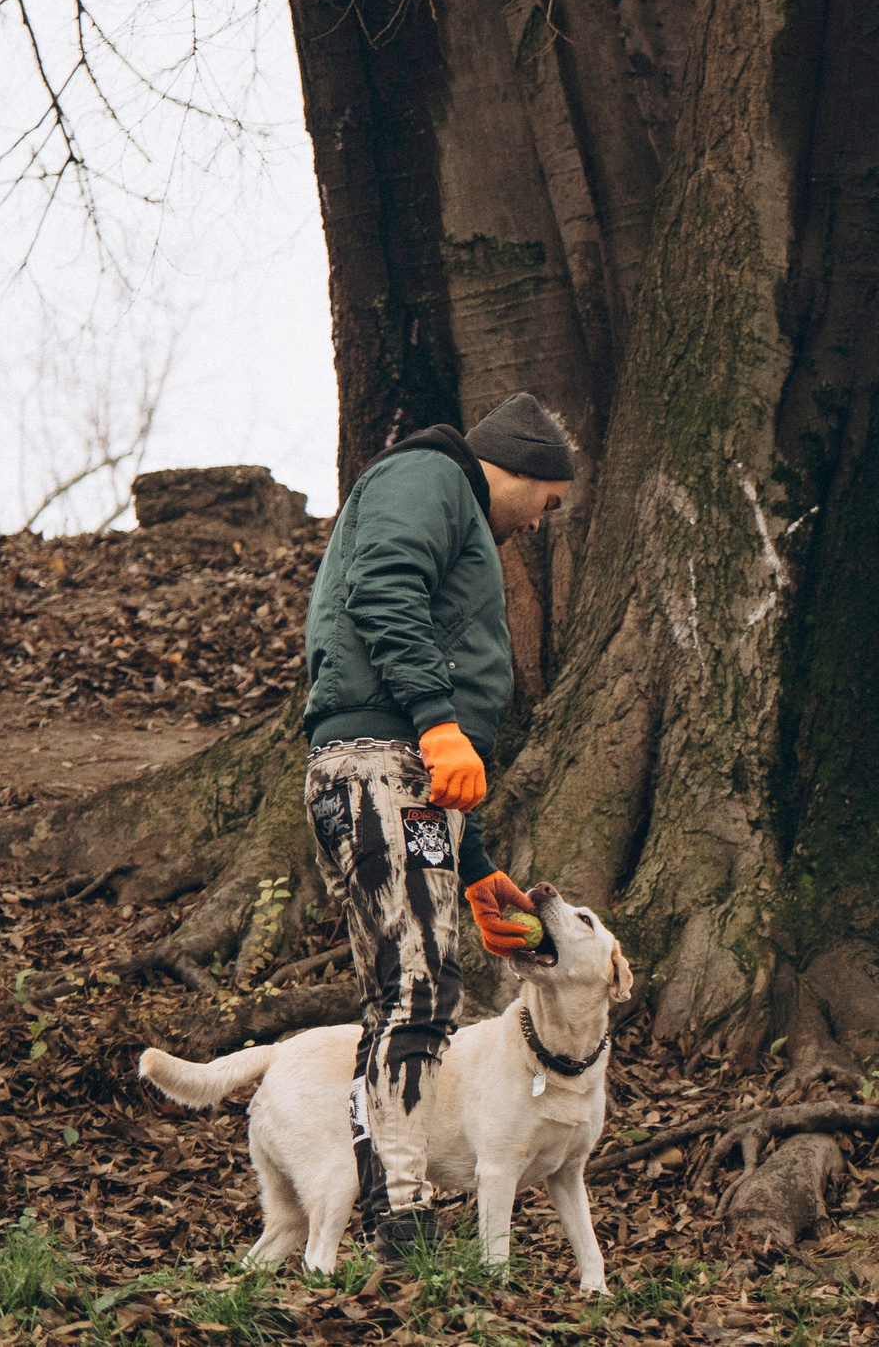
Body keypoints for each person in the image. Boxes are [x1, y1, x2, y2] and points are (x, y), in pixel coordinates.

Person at [299, 392, 575, 1256]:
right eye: (548, 500)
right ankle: (402, 1216)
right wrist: (437, 720)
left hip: (407, 781)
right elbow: (384, 585)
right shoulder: (429, 475)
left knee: (407, 990)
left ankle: (395, 1208)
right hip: (381, 763)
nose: (541, 522)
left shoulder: (446, 496)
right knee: (415, 991)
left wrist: (475, 862)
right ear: (519, 467)